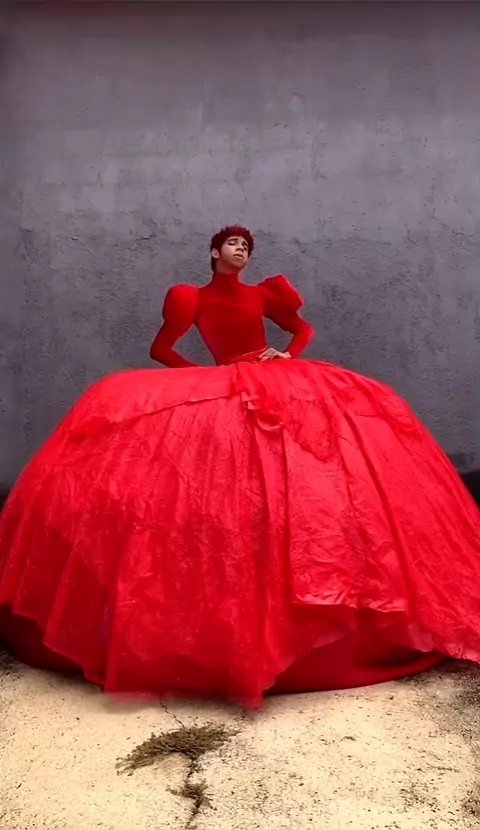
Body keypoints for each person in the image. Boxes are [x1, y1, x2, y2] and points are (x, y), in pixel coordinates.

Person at [0, 224, 479, 707]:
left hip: (272, 377)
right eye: (233, 244)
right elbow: (160, 349)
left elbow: (301, 329)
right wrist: (204, 381)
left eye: (246, 247)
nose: (242, 251)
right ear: (214, 252)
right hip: (226, 378)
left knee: (310, 465)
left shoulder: (262, 294)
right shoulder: (191, 298)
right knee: (219, 478)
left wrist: (286, 353)